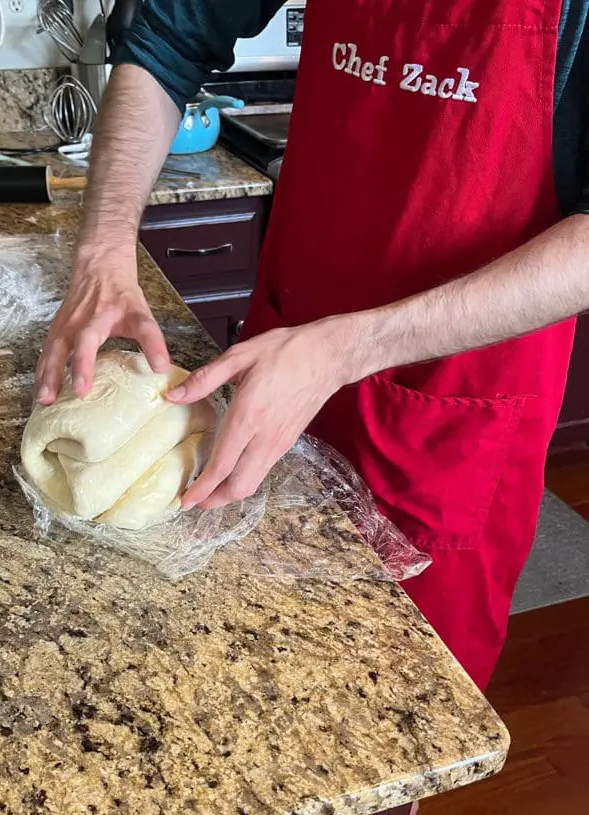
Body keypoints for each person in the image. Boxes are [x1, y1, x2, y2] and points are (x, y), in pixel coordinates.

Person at [37, 0, 589, 697]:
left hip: (449, 410)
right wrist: (105, 246)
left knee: (396, 709)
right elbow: (166, 42)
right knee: (238, 664)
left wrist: (343, 350)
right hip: (282, 353)